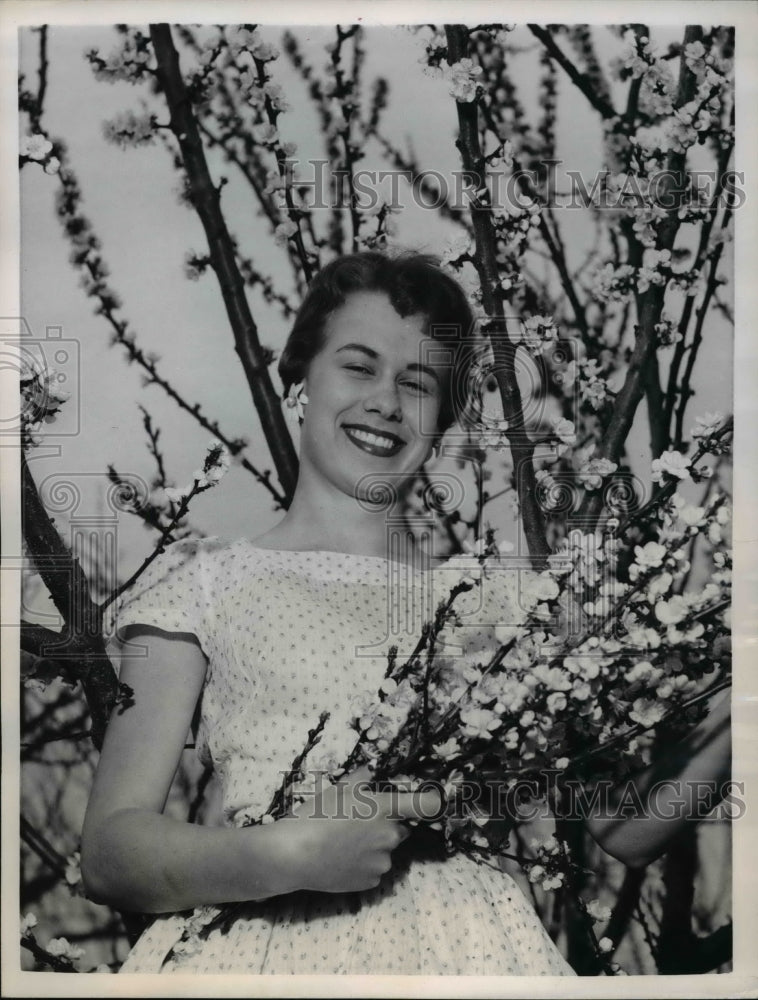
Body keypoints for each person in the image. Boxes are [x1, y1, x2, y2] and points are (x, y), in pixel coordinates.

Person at [81, 250, 729, 975]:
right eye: (358, 367)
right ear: (299, 379)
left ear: (443, 419)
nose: (385, 401)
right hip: (264, 958)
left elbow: (626, 824)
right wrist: (286, 854)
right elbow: (111, 851)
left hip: (471, 953)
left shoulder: (500, 602)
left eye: (416, 383)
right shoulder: (201, 585)